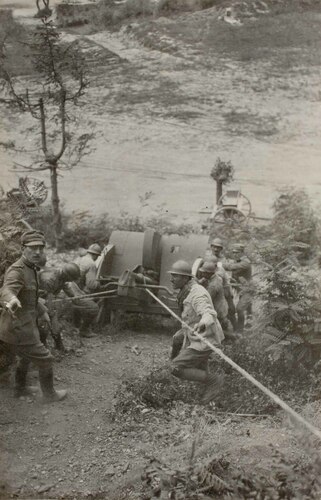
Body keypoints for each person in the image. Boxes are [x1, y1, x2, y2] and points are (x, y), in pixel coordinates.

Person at [0, 230, 67, 402]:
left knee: (25, 358)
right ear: (23, 248)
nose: (37, 251)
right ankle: (49, 395)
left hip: (25, 326)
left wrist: (43, 311)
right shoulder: (17, 270)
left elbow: (31, 297)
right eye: (33, 248)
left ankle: (20, 389)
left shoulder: (31, 269)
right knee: (46, 359)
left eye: (40, 248)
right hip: (18, 329)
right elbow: (6, 290)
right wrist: (11, 299)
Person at [169, 260, 224, 404]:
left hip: (204, 339)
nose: (171, 279)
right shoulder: (187, 290)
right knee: (177, 339)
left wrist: (203, 323)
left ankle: (214, 381)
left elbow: (208, 312)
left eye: (176, 276)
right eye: (172, 275)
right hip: (193, 336)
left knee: (174, 367)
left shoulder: (197, 293)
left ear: (186, 278)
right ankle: (209, 395)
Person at [38, 263, 81, 351]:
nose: (70, 281)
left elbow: (65, 286)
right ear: (66, 275)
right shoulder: (49, 278)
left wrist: (73, 296)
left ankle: (58, 346)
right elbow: (47, 294)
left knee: (54, 324)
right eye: (70, 279)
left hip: (48, 299)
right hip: (39, 302)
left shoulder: (61, 275)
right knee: (44, 325)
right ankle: (42, 347)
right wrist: (51, 310)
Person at [197, 259, 234, 338]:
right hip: (221, 306)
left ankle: (233, 337)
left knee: (218, 329)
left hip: (218, 309)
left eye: (203, 272)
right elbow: (205, 279)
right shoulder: (215, 277)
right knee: (221, 326)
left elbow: (207, 297)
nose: (202, 273)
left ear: (208, 273)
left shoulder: (213, 286)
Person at [74, 244, 102, 336]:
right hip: (76, 290)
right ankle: (84, 329)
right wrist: (99, 283)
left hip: (71, 287)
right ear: (95, 255)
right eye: (97, 256)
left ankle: (76, 325)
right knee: (94, 307)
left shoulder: (80, 259)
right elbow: (91, 284)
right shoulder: (91, 263)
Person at [209, 238, 237, 330]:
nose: (216, 249)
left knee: (229, 309)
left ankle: (235, 330)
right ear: (211, 247)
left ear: (221, 249)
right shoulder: (206, 258)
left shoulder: (223, 260)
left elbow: (226, 275)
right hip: (210, 287)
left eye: (218, 248)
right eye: (214, 247)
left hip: (223, 287)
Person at [224, 243, 252, 332]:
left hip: (248, 289)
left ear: (242, 253)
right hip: (241, 289)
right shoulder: (237, 261)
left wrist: (220, 264)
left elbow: (231, 267)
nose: (235, 254)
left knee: (240, 309)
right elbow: (235, 275)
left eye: (237, 252)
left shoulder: (245, 262)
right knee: (245, 308)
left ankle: (240, 330)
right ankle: (248, 322)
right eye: (233, 253)